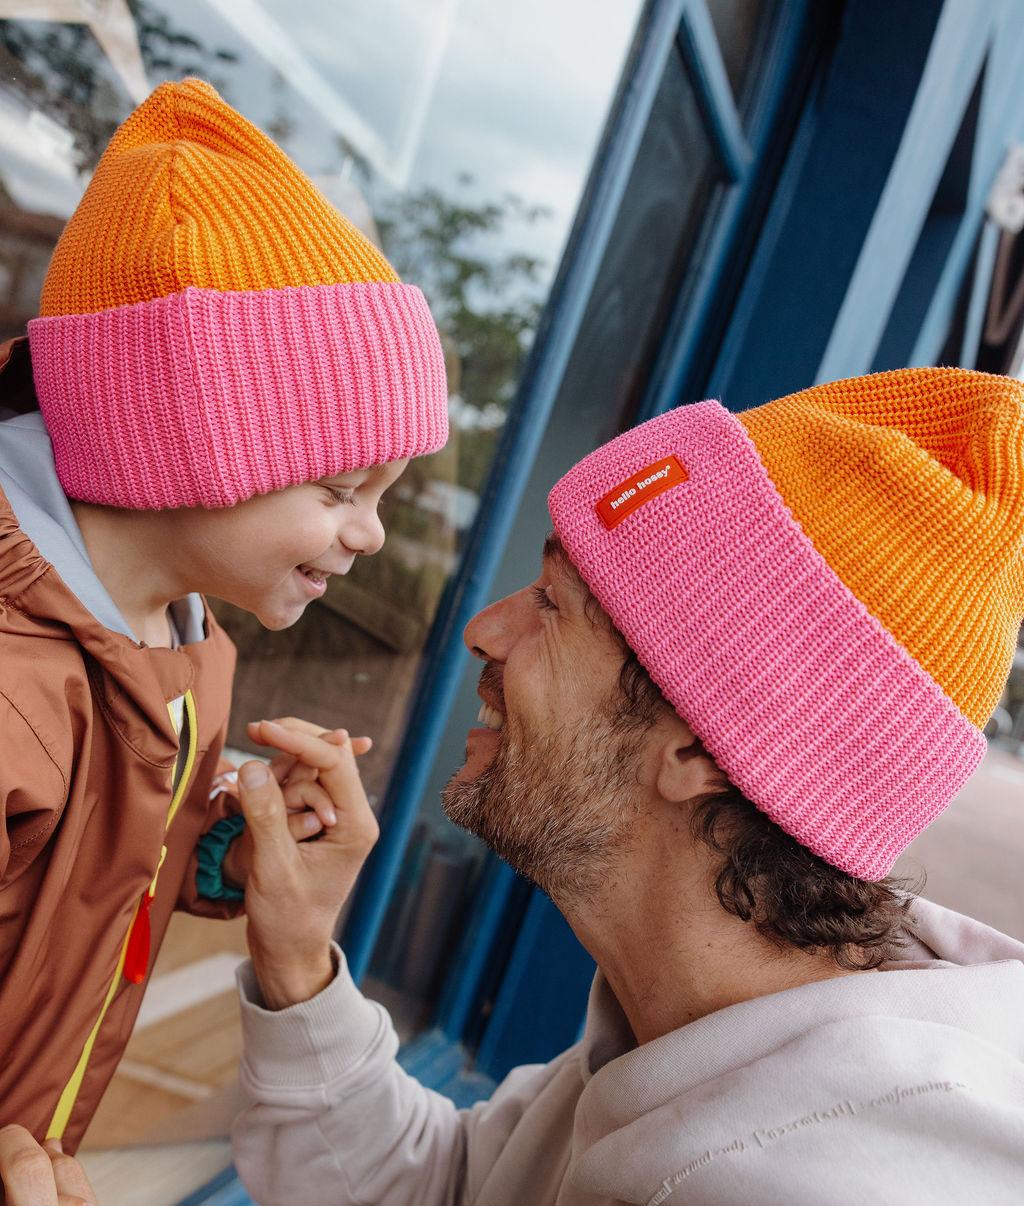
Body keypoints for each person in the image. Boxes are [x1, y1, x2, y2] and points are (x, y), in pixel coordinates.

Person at [6, 371, 1023, 1203]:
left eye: (553, 604)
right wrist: (300, 962)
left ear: (699, 754)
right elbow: (440, 1188)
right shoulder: (692, 1040)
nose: (484, 630)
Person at [0, 76, 447, 1153]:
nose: (371, 535)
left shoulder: (178, 633)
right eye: (340, 492)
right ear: (181, 450)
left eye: (385, 500)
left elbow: (92, 854)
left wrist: (223, 857)